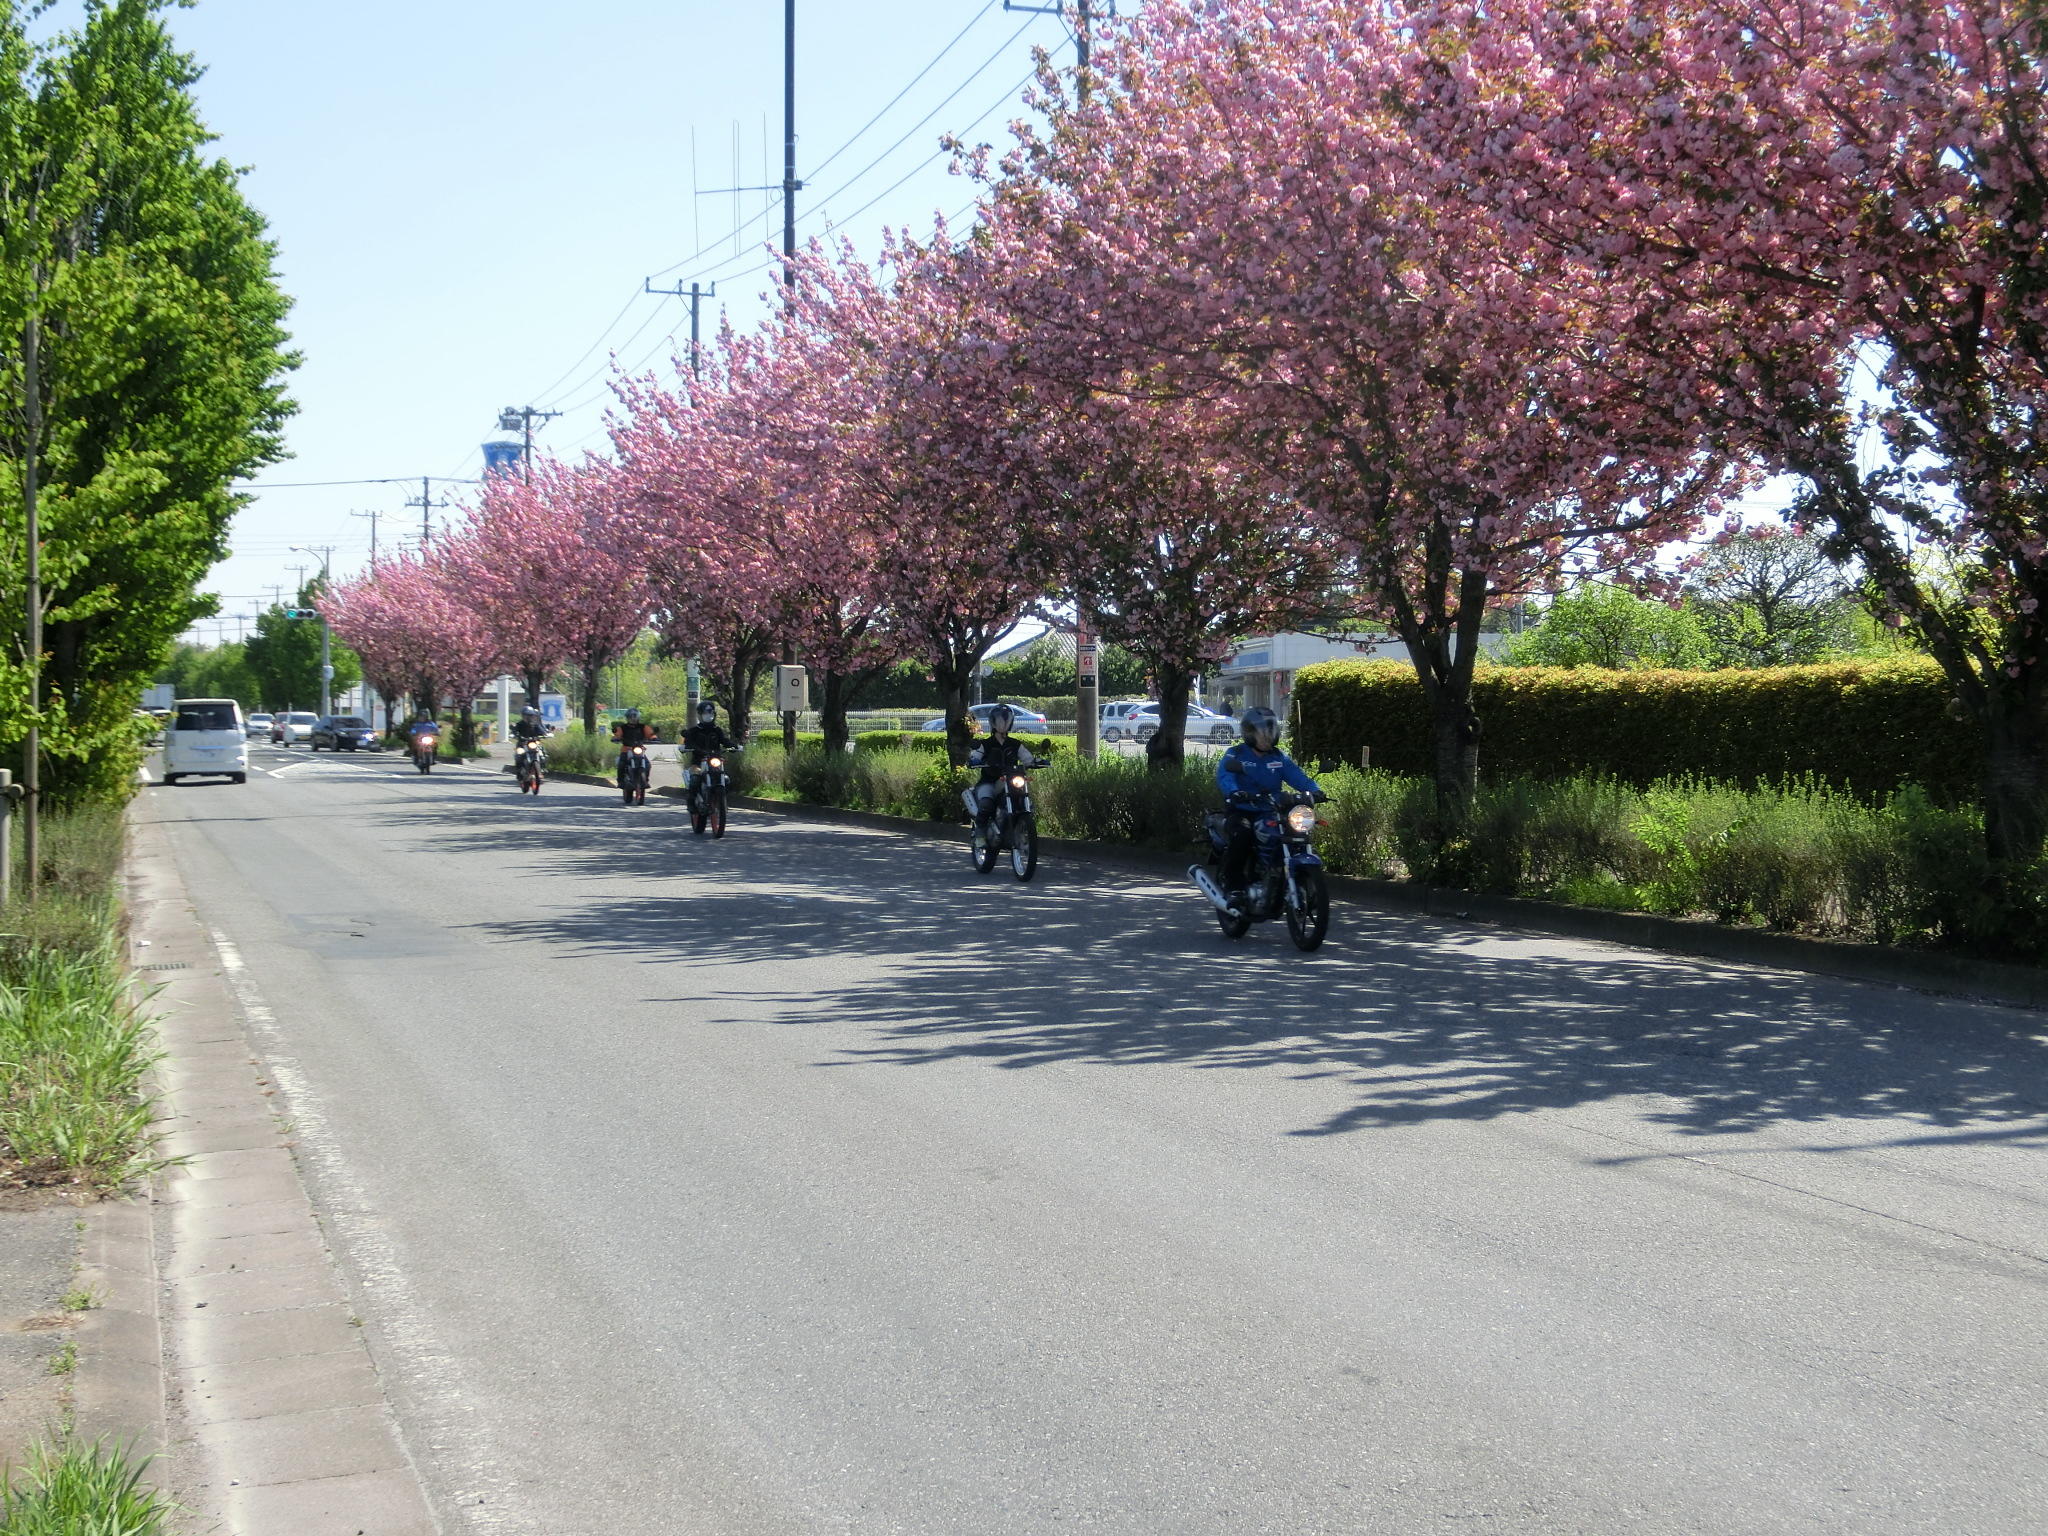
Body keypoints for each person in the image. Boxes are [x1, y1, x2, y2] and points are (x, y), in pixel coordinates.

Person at [1214, 705, 1322, 915]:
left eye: (1270, 732)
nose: (1266, 737)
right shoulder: (1235, 754)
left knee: (1296, 835)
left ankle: (1299, 883)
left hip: (1270, 810)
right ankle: (1235, 887)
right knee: (1242, 834)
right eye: (1261, 732)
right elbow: (1225, 776)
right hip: (1242, 809)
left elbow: (1299, 777)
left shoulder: (1278, 758)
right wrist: (1235, 791)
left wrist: (1315, 791)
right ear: (1249, 733)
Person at [967, 704, 1038, 830]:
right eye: (999, 719)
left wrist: (1035, 762)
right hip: (990, 781)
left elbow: (1027, 758)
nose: (1003, 723)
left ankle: (1021, 830)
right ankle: (980, 834)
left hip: (1011, 780)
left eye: (1006, 719)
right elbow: (976, 755)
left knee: (1025, 801)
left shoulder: (1015, 744)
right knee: (986, 805)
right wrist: (974, 760)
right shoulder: (986, 744)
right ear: (992, 722)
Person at [681, 702, 738, 801]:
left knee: (726, 779)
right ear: (700, 715)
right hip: (698, 762)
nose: (708, 716)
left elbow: (724, 740)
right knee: (694, 780)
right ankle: (692, 805)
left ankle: (722, 802)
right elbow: (688, 743)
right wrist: (687, 747)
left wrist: (734, 746)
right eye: (705, 713)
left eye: (710, 713)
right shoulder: (694, 731)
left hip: (714, 760)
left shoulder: (717, 730)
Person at [609, 707, 659, 785]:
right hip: (626, 750)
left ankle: (646, 780)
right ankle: (620, 781)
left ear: (638, 717)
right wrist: (615, 738)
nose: (633, 719)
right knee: (621, 764)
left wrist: (654, 738)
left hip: (639, 749)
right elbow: (618, 734)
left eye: (634, 716)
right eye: (630, 717)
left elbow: (650, 733)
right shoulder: (622, 728)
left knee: (648, 765)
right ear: (627, 718)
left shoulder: (643, 727)